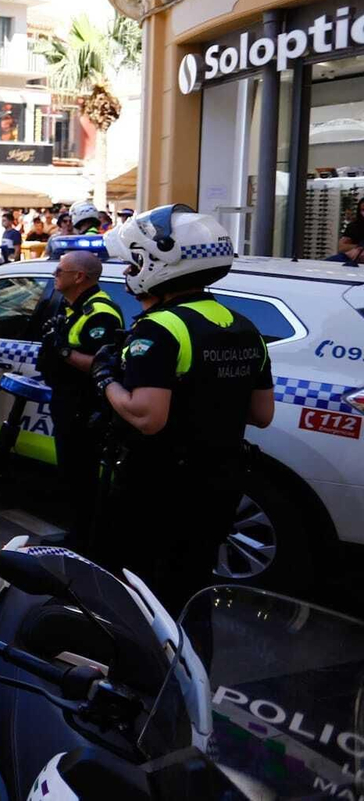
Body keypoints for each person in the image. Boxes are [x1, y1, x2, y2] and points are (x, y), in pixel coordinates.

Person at [89, 205, 274, 611]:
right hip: (219, 483)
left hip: (159, 485)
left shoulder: (160, 327)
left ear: (158, 263)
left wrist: (105, 380)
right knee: (190, 591)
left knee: (140, 595)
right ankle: (190, 668)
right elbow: (261, 414)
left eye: (134, 260)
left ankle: (143, 672)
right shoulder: (243, 325)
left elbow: (147, 416)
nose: (128, 270)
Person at [36, 250, 123, 551]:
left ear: (79, 277)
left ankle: (87, 542)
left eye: (59, 271)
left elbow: (103, 363)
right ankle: (78, 534)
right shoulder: (74, 306)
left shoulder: (100, 313)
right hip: (67, 400)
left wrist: (63, 352)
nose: (54, 276)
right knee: (72, 474)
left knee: (83, 476)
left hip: (84, 406)